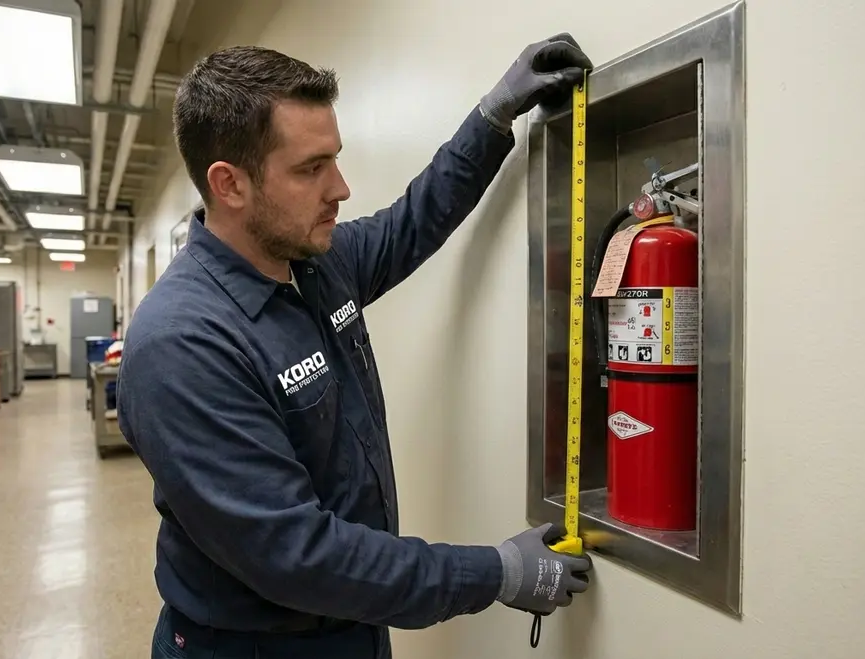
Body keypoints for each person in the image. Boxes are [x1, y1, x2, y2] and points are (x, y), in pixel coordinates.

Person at [118, 35, 595, 659]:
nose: (340, 188)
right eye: (311, 169)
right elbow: (299, 555)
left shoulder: (316, 265)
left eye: (334, 160)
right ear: (229, 185)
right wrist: (498, 572)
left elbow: (413, 220)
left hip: (352, 626)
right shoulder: (181, 346)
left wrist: (493, 114)